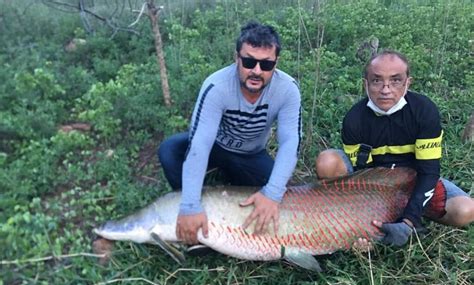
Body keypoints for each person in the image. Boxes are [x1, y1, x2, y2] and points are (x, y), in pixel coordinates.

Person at [158, 21, 302, 246]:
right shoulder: (216, 86)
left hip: (251, 154)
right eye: (248, 61)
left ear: (276, 63)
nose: (256, 70)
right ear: (237, 58)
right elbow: (200, 145)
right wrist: (190, 206)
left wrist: (272, 194)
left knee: (279, 189)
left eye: (266, 65)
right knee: (170, 150)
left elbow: (290, 142)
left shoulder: (288, 89)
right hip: (216, 147)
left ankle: (232, 183)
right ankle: (189, 205)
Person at [315, 50, 474, 247]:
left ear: (408, 83)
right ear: (365, 84)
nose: (386, 89)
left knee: (465, 210)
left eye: (396, 80)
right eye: (377, 81)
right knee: (328, 161)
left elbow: (429, 172)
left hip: (415, 181)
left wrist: (408, 221)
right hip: (376, 183)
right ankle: (354, 223)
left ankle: (413, 219)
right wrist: (362, 226)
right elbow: (363, 177)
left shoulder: (424, 111)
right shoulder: (354, 119)